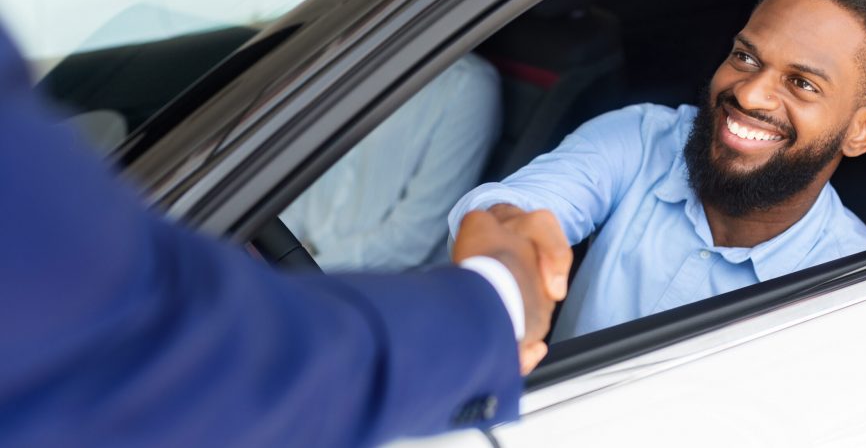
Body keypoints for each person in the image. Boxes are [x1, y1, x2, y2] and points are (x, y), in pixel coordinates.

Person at [0, 26, 571, 446]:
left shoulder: (464, 90)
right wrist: (496, 293)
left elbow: (410, 233)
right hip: (288, 276)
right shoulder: (338, 57)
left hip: (330, 281)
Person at [449, 0, 866, 341]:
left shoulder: (857, 297)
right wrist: (507, 254)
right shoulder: (640, 137)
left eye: (801, 83)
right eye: (746, 57)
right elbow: (521, 205)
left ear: (863, 130)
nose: (751, 95)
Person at [280, 54, 501, 271]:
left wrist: (304, 272)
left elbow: (414, 237)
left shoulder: (466, 85)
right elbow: (305, 187)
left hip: (380, 282)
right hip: (299, 258)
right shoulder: (351, 61)